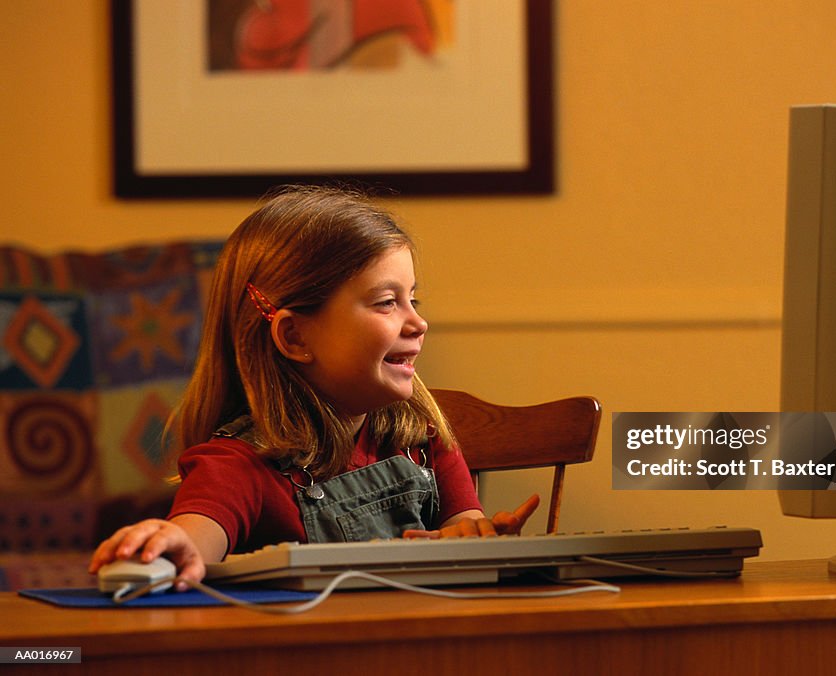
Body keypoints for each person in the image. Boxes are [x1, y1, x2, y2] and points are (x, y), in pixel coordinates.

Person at [89, 186, 538, 591]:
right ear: (296, 338)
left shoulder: (421, 438)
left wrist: (472, 538)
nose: (419, 323)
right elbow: (195, 535)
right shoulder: (240, 465)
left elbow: (467, 526)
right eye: (387, 303)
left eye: (412, 300)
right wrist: (171, 544)